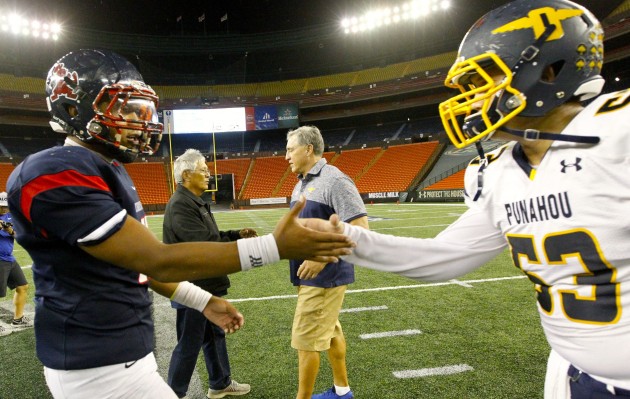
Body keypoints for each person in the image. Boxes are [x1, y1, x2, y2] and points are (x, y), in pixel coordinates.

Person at [307, 1, 630, 398]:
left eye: (483, 81)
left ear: (549, 70)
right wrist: (344, 240)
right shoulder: (498, 171)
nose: (473, 100)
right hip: (571, 372)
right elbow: (443, 256)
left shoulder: (619, 132)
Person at [5, 49, 353, 399]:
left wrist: (201, 299)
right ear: (71, 109)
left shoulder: (110, 169)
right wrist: (275, 247)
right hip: (93, 368)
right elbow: (156, 259)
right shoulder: (52, 173)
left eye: (140, 109)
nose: (138, 119)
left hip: (122, 354)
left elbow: (136, 268)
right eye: (123, 108)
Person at [285, 126, 369, 399]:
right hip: (306, 275)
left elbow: (360, 228)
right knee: (331, 331)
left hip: (325, 276)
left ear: (309, 149)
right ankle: (342, 391)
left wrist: (320, 259)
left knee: (306, 342)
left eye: (290, 149)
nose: (286, 156)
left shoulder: (335, 180)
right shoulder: (302, 182)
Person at [164, 149, 255, 399]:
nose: (208, 174)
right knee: (189, 344)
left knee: (213, 335)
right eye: (203, 170)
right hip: (193, 287)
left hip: (205, 284)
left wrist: (236, 235)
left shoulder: (193, 201)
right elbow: (204, 246)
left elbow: (211, 238)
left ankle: (220, 383)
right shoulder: (182, 205)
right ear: (186, 174)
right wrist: (245, 250)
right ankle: (173, 394)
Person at [0, 191, 33, 337]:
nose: (5, 209)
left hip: (9, 258)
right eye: (2, 206)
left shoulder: (10, 217)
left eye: (6, 206)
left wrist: (9, 229)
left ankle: (18, 319)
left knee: (22, 286)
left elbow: (19, 236)